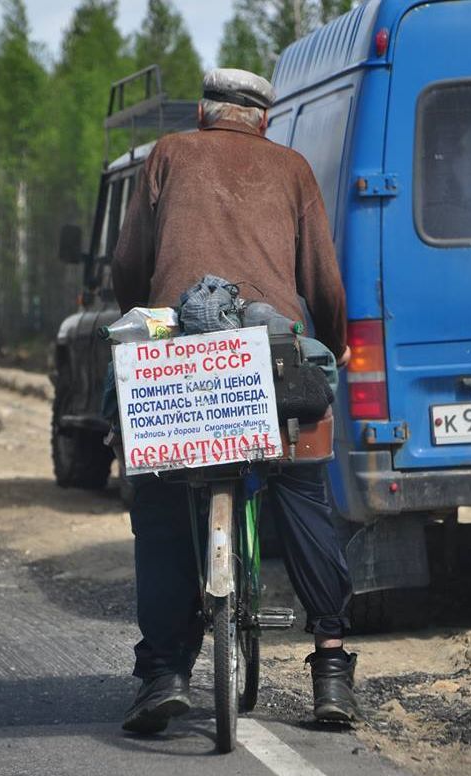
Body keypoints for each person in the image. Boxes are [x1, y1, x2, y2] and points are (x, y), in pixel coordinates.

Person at [112, 68, 357, 734]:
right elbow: (324, 283)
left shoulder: (169, 154)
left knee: (162, 505)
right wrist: (330, 344)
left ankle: (163, 671)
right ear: (263, 121)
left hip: (180, 364)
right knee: (304, 493)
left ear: (201, 113)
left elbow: (129, 265)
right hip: (270, 364)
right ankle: (330, 670)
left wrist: (140, 308)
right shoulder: (291, 166)